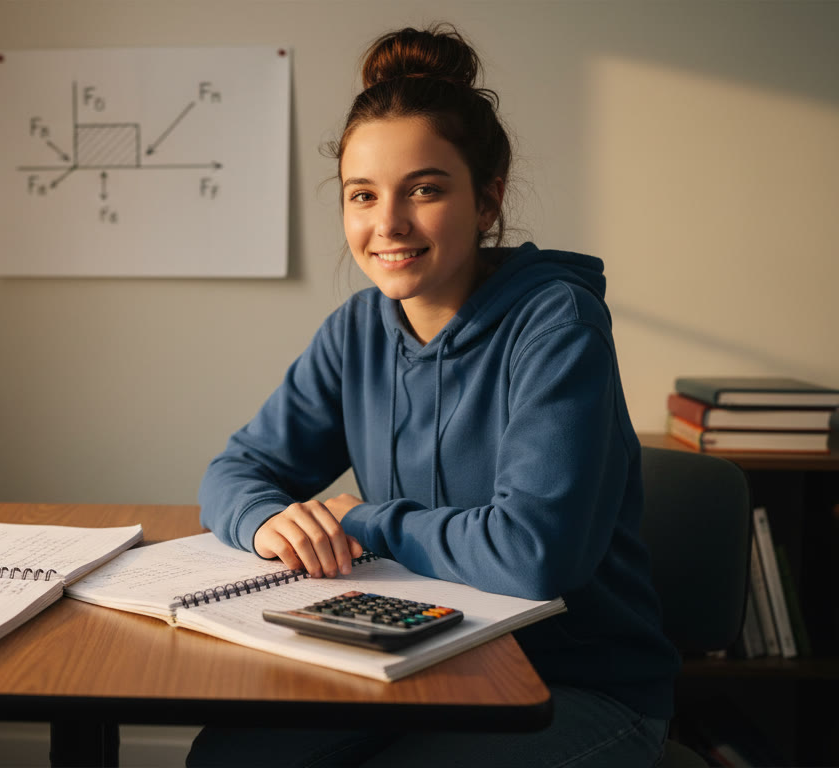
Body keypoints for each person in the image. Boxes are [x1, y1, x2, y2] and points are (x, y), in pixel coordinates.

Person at [189, 23, 679, 768]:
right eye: (363, 195)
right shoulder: (357, 330)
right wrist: (268, 523)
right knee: (231, 757)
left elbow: (532, 555)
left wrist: (358, 518)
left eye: (424, 189)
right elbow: (233, 472)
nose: (388, 224)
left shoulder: (557, 325)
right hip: (418, 653)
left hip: (577, 685)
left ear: (488, 201)